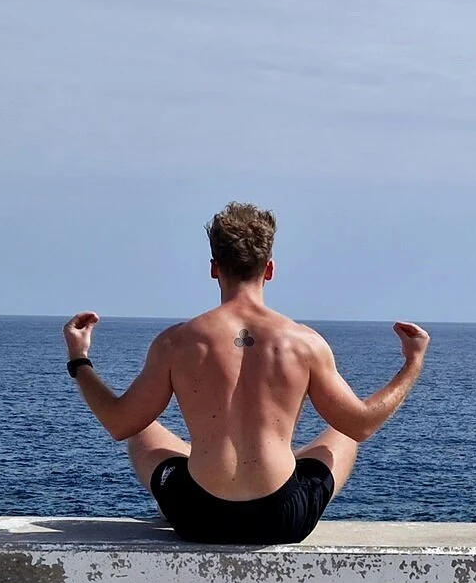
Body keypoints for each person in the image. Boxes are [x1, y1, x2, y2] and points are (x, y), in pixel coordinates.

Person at [63, 201, 429, 544]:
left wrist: (79, 359)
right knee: (343, 432)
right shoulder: (303, 343)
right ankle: (265, 462)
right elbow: (361, 424)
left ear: (214, 268)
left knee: (144, 430)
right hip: (282, 517)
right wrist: (412, 364)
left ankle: (204, 465)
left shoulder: (177, 342)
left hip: (197, 516)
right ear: (269, 268)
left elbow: (119, 422)